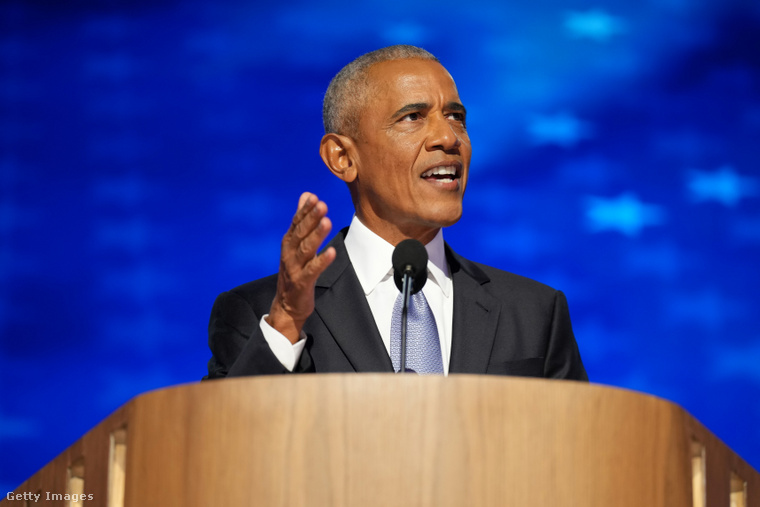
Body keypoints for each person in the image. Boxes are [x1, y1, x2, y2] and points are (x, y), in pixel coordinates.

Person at [204, 45, 587, 380]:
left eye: (456, 117)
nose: (449, 138)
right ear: (342, 158)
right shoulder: (259, 313)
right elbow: (222, 447)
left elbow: (580, 452)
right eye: (413, 117)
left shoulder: (535, 312)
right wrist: (287, 322)